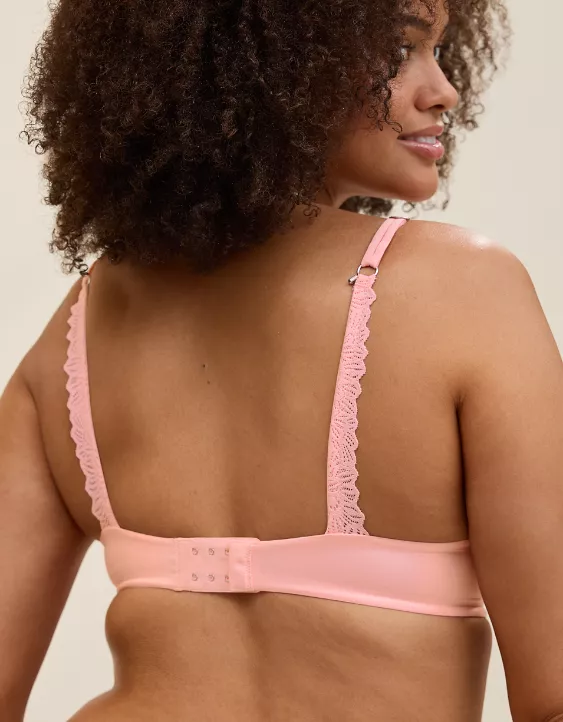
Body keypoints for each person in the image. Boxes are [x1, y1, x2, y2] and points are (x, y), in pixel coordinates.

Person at [1, 0, 562, 719]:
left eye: (442, 52)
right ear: (273, 65)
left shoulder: (78, 330)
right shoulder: (464, 291)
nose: (443, 91)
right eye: (400, 52)